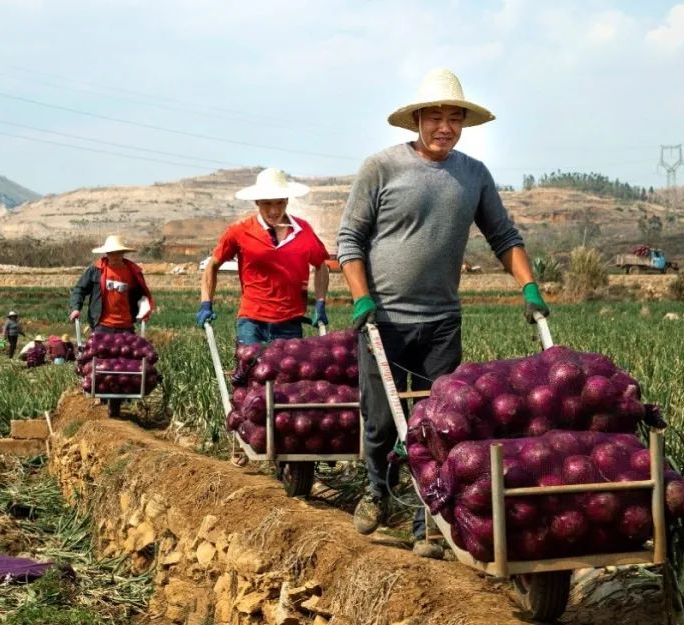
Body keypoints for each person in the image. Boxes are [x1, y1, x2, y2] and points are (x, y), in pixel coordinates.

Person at [336, 68, 549, 559]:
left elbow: (504, 237)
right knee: (381, 424)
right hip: (382, 320)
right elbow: (350, 239)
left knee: (437, 424)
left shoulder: (473, 175)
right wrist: (362, 297)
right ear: (417, 119)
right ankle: (375, 491)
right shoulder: (382, 168)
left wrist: (530, 286)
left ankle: (424, 521)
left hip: (441, 323)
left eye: (455, 118)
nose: (445, 127)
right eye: (436, 116)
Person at [197, 167, 330, 344]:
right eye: (267, 203)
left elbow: (321, 264)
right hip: (252, 322)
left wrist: (321, 302)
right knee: (251, 370)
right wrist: (206, 303)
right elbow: (212, 265)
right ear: (257, 202)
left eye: (279, 203)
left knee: (287, 371)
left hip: (290, 323)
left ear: (287, 201)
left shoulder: (303, 231)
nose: (274, 210)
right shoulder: (239, 231)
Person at [69, 235, 155, 334]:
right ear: (107, 253)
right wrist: (75, 308)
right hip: (102, 325)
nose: (115, 256)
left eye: (118, 253)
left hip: (126, 325)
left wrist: (144, 311)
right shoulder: (96, 270)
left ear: (123, 254)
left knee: (128, 349)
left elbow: (142, 296)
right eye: (112, 253)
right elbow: (80, 290)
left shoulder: (133, 272)